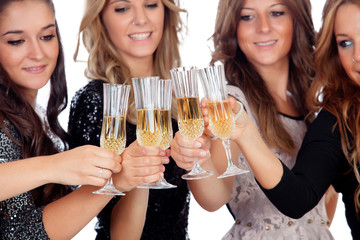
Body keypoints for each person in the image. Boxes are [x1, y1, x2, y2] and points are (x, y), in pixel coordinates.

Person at [170, 0, 338, 239]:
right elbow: (213, 199)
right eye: (248, 17)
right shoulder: (232, 103)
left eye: (277, 13)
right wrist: (196, 156)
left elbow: (324, 206)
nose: (263, 27)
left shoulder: (316, 102)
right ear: (233, 27)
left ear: (297, 20)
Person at [0, 0, 166, 239]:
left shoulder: (36, 117)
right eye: (16, 41)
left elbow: (29, 226)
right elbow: (17, 234)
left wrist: (118, 181)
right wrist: (57, 166)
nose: (38, 53)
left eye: (47, 36)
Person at [68, 0, 190, 239]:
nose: (141, 19)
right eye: (122, 8)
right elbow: (123, 235)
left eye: (151, 4)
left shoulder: (180, 97)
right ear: (100, 19)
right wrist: (141, 169)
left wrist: (206, 147)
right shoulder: (94, 102)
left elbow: (214, 201)